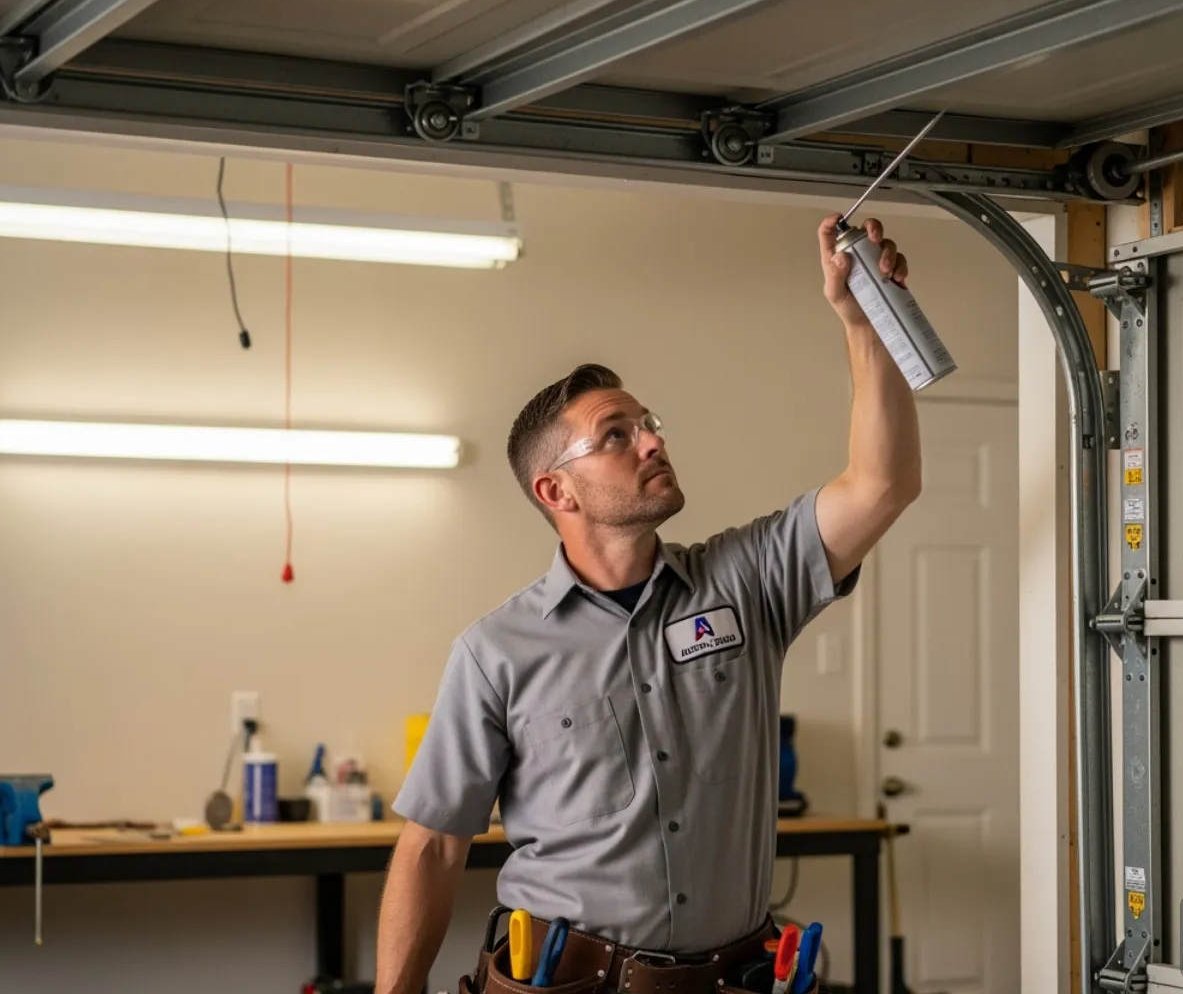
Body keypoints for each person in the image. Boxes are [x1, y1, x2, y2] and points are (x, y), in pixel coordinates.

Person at [376, 216, 923, 994]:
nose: (652, 442)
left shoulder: (747, 581)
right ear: (557, 491)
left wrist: (863, 322)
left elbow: (881, 485)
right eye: (616, 435)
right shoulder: (496, 652)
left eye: (649, 425)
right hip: (568, 983)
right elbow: (433, 845)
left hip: (731, 980)